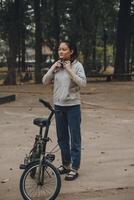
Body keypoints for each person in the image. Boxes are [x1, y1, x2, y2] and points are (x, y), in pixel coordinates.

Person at [42, 40, 86, 181]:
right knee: (62, 138)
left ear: (71, 51)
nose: (61, 52)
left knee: (75, 139)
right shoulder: (57, 65)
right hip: (59, 106)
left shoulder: (77, 66)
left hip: (73, 107)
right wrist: (53, 68)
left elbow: (83, 83)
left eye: (64, 49)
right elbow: (44, 81)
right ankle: (66, 164)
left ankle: (74, 168)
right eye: (59, 49)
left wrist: (69, 70)